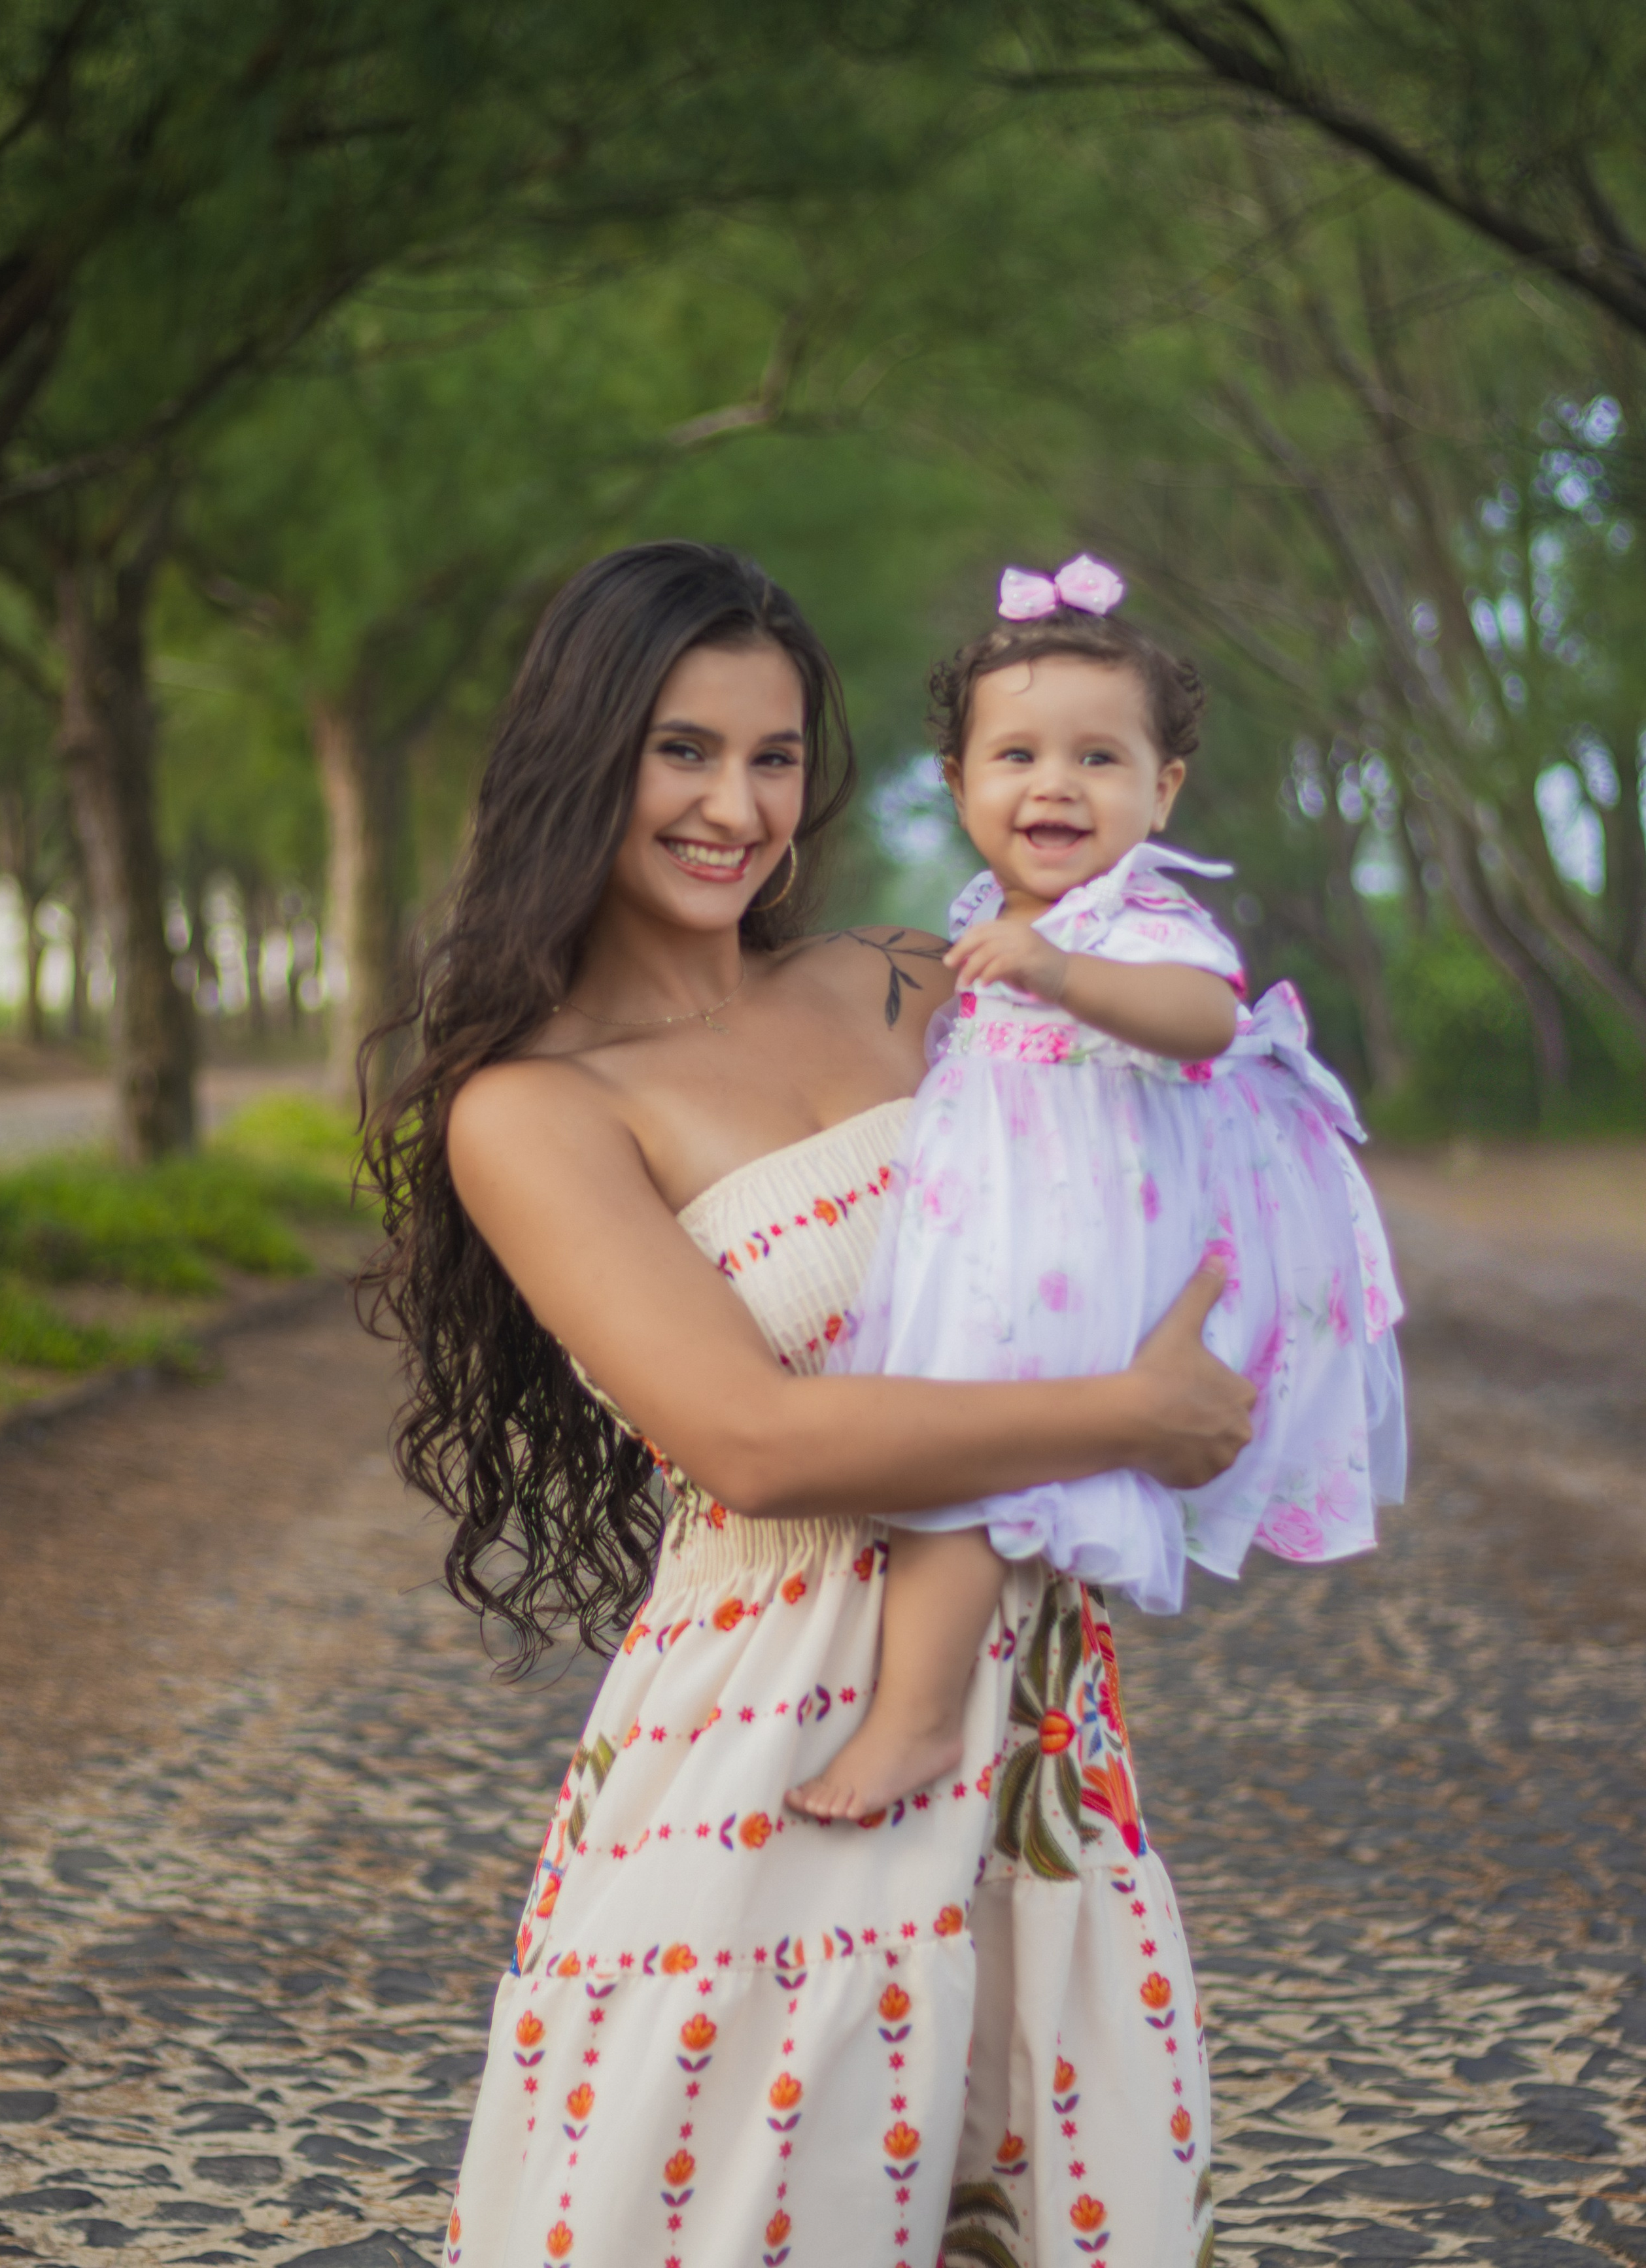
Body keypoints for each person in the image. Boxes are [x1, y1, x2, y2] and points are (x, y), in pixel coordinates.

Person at [360, 540, 1256, 2268]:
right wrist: (1124, 1413)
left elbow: (1135, 1175)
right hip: (768, 1736)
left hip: (1028, 1712)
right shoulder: (535, 1107)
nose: (736, 807)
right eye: (682, 750)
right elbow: (751, 1442)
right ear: (582, 757)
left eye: (773, 756)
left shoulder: (912, 977)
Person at [789, 556, 1406, 1826]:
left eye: (1098, 758)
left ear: (1162, 788)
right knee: (952, 1454)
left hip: (1075, 1242)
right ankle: (963, 1707)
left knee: (956, 1452)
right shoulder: (986, 915)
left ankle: (914, 1720)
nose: (1054, 784)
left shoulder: (1139, 918)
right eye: (1015, 756)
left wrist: (1059, 973)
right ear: (956, 782)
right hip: (997, 1229)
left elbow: (1204, 1017)